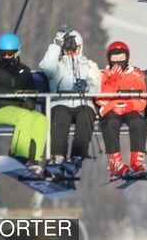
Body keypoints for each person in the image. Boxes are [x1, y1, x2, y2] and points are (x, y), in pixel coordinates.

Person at [0, 32, 48, 174]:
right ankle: (18, 156)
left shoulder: (24, 70)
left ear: (17, 52)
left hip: (19, 109)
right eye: (3, 53)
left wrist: (29, 101)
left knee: (41, 119)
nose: (6, 57)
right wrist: (13, 92)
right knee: (25, 117)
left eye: (10, 53)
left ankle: (33, 160)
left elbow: (31, 91)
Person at [38, 26, 101, 176]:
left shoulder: (90, 65)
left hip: (83, 103)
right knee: (60, 118)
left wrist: (87, 87)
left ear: (81, 48)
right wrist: (57, 42)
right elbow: (46, 66)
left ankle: (76, 157)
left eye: (75, 49)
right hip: (60, 102)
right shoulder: (57, 65)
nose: (72, 52)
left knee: (85, 118)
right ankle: (57, 156)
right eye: (68, 49)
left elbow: (97, 88)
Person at [96, 40, 147, 179]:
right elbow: (101, 100)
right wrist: (112, 82)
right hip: (111, 109)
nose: (118, 62)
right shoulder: (104, 75)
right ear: (109, 59)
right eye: (115, 58)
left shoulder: (135, 74)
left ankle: (136, 160)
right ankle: (115, 162)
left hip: (130, 107)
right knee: (110, 123)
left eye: (122, 58)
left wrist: (130, 105)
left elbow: (142, 98)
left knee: (139, 122)